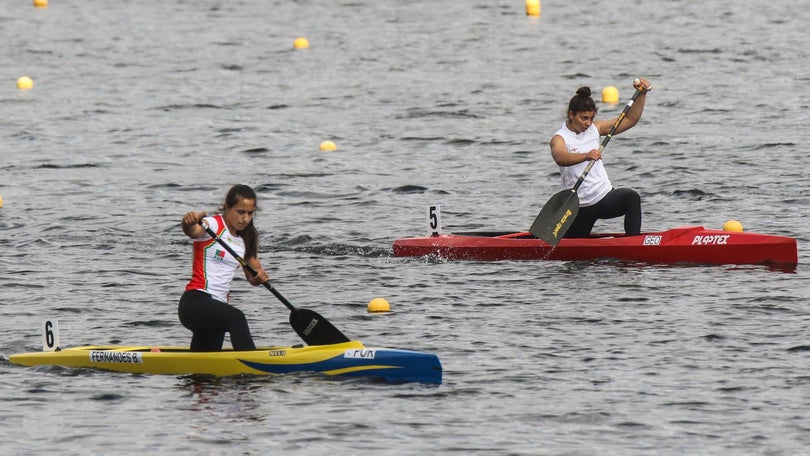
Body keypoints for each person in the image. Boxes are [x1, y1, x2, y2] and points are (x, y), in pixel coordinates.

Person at [550, 78, 652, 238]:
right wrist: (586, 155)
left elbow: (630, 120)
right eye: (584, 118)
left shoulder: (595, 128)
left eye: (591, 118)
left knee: (631, 197)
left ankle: (633, 244)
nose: (588, 123)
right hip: (580, 206)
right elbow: (560, 157)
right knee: (576, 258)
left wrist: (642, 94)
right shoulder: (560, 138)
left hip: (604, 197)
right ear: (571, 114)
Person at [178, 184, 269, 352]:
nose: (246, 219)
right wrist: (188, 222)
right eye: (241, 212)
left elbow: (253, 276)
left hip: (217, 308)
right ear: (228, 208)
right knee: (237, 318)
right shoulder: (212, 225)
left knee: (205, 369)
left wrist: (260, 278)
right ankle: (255, 370)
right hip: (196, 302)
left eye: (250, 213)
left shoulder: (247, 238)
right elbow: (192, 231)